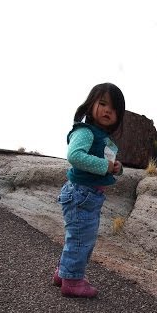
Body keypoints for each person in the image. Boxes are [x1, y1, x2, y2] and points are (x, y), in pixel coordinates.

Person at [52, 82, 126, 298]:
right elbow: (75, 156)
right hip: (81, 194)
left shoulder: (104, 139)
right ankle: (72, 281)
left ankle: (63, 273)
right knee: (80, 239)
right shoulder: (85, 131)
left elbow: (107, 164)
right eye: (102, 104)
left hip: (89, 196)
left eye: (113, 109)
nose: (107, 110)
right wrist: (105, 166)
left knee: (78, 237)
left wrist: (117, 168)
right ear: (90, 105)